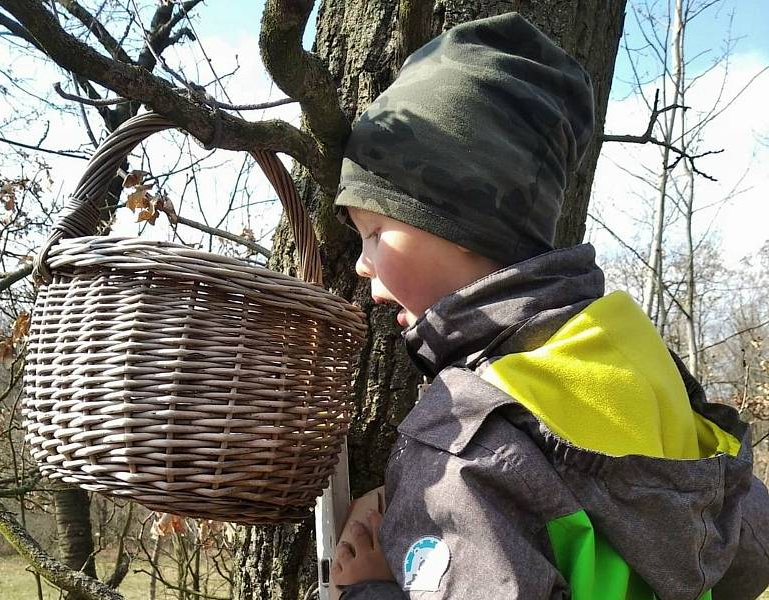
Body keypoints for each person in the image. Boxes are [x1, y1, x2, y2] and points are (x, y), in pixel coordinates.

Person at [328, 12, 769, 600]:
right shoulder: (636, 355)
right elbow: (749, 544)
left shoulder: (463, 433)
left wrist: (369, 590)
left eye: (376, 231)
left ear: (460, 222)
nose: (361, 263)